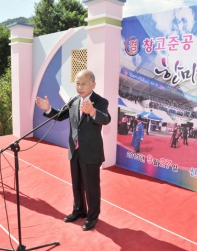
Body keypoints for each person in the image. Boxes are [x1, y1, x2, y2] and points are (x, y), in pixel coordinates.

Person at [35, 69, 111, 231]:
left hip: (91, 152)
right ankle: (79, 210)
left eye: (83, 83)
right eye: (77, 83)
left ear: (93, 84)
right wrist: (48, 109)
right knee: (77, 184)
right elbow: (61, 115)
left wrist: (92, 111)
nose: (80, 87)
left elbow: (106, 119)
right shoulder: (74, 100)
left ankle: (92, 216)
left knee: (91, 186)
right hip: (74, 150)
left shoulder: (100, 102)